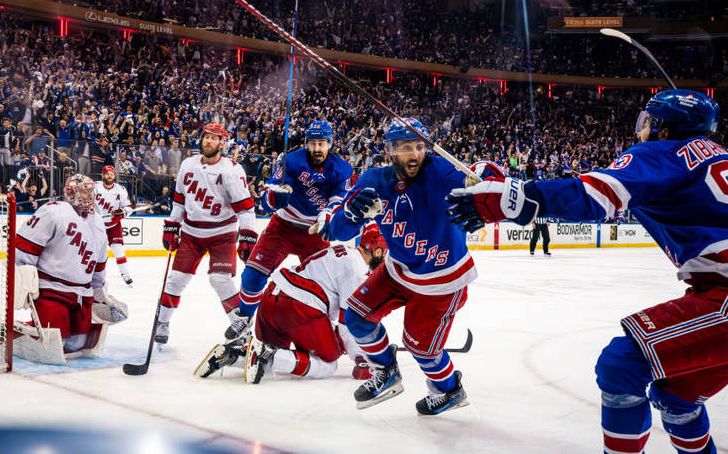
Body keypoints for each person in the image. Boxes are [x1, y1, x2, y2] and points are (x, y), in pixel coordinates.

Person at [447, 89, 726, 454]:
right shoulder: (712, 157)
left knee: (621, 364)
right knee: (678, 397)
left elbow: (594, 197)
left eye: (648, 121)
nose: (641, 129)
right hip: (712, 289)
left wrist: (510, 197)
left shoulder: (663, 152)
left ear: (662, 128)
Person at [322, 119, 500, 416]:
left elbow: (480, 180)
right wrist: (352, 213)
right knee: (356, 318)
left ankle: (449, 390)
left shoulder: (439, 171)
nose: (415, 154)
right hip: (398, 270)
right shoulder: (373, 180)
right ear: (390, 151)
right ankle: (386, 371)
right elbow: (338, 231)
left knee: (423, 349)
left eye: (419, 146)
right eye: (406, 148)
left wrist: (486, 173)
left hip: (442, 280)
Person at [195, 224, 389, 384]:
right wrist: (361, 359)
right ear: (378, 250)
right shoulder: (359, 271)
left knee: (282, 356)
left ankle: (232, 356)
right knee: (328, 364)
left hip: (271, 300)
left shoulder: (341, 251)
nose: (387, 259)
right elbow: (347, 322)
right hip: (299, 309)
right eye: (386, 253)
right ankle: (266, 353)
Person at [229, 120, 353, 343]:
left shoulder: (342, 168)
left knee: (322, 290)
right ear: (306, 143)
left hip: (315, 233)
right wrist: (274, 197)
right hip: (283, 226)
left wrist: (327, 215)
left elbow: (339, 201)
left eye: (322, 143)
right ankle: (244, 318)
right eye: (313, 143)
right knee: (252, 276)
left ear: (330, 144)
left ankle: (322, 330)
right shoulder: (292, 160)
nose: (317, 148)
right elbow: (268, 192)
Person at [156, 124, 257, 346]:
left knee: (220, 280)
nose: (208, 141)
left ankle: (241, 329)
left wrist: (247, 236)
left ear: (222, 143)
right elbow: (179, 200)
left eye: (214, 138)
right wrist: (172, 226)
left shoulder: (231, 170)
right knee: (176, 280)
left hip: (223, 233)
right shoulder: (188, 164)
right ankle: (162, 322)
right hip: (192, 233)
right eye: (206, 138)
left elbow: (246, 209)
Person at [13, 173, 127, 362]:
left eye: (91, 192)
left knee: (78, 342)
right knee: (57, 341)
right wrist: (24, 280)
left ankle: (37, 325)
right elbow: (25, 247)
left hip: (83, 295)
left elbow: (99, 263)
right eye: (84, 192)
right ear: (70, 192)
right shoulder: (52, 211)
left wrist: (99, 292)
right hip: (52, 290)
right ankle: (20, 330)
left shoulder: (98, 221)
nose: (89, 197)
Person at [94, 165, 135, 285]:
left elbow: (129, 208)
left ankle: (126, 274)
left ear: (115, 175)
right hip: (97, 225)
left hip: (113, 225)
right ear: (103, 175)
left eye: (111, 173)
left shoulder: (120, 189)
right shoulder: (95, 187)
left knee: (119, 250)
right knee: (96, 253)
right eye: (107, 173)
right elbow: (86, 202)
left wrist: (121, 213)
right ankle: (93, 276)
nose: (109, 175)